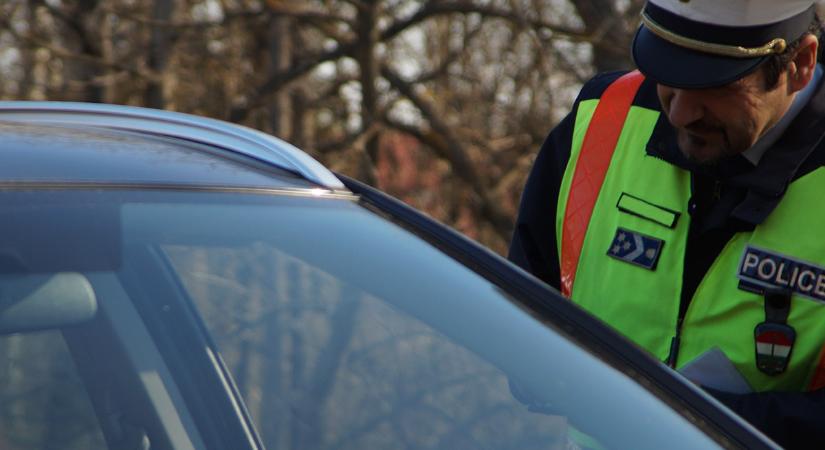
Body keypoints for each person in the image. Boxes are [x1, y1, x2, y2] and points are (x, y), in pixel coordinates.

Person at [509, 0, 825, 447]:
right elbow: (517, 322)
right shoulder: (601, 119)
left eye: (713, 84)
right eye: (668, 77)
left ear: (799, 64)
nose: (678, 114)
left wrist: (687, 421)